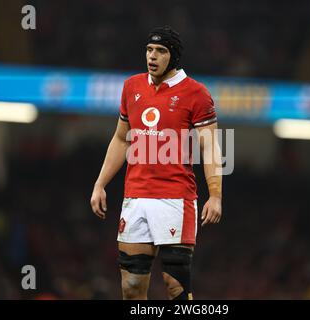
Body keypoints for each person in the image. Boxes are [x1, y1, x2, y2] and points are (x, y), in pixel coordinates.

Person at [90, 25, 222, 300]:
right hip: (135, 197)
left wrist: (215, 195)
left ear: (173, 56)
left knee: (175, 286)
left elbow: (209, 146)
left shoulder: (196, 93)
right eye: (149, 50)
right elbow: (120, 139)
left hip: (175, 199)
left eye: (160, 51)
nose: (152, 56)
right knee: (131, 287)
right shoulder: (131, 87)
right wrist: (100, 184)